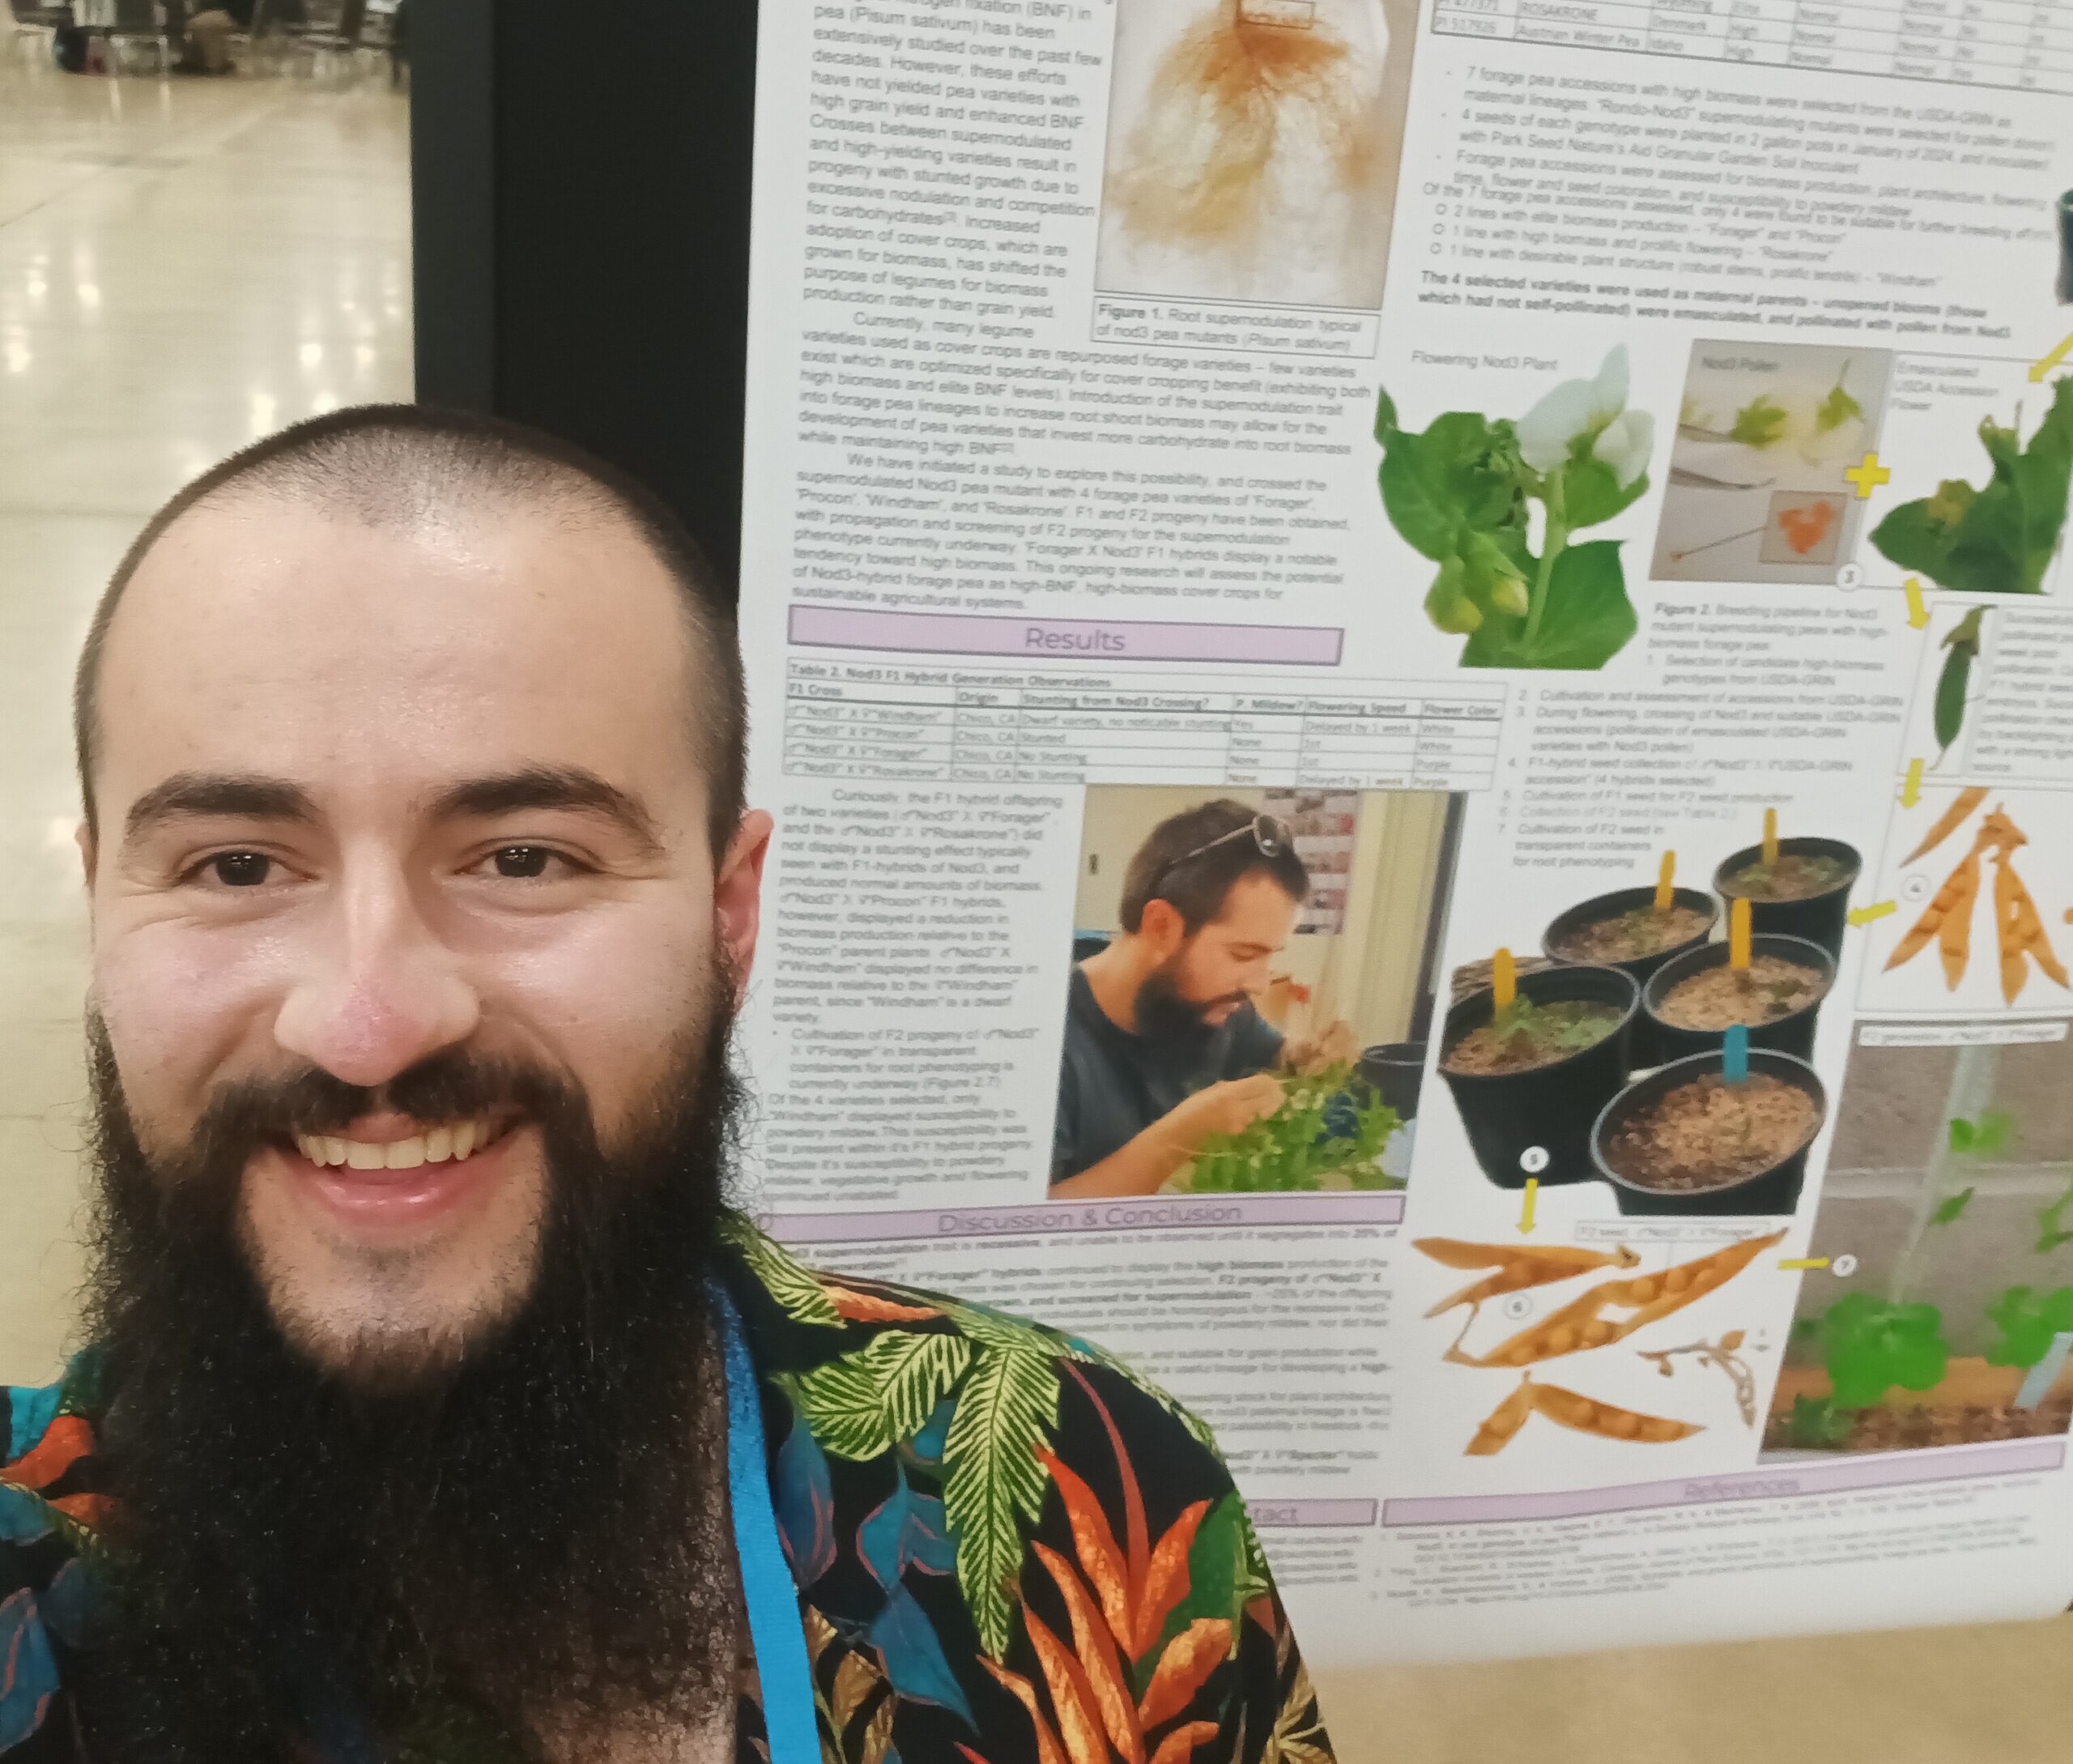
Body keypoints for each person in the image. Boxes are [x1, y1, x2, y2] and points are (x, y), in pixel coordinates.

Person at [0, 407, 1333, 1763]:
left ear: (728, 918)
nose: (368, 1026)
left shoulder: (1094, 1493)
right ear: (102, 902)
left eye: (525, 858)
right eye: (235, 866)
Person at [1050, 800, 1347, 1199]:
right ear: (1162, 926)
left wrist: (1304, 1057)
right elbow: (1025, 1220)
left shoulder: (1220, 1007)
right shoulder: (1049, 1042)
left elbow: (1276, 1057)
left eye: (1271, 955)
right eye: (1243, 955)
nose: (1260, 984)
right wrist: (1176, 1141)